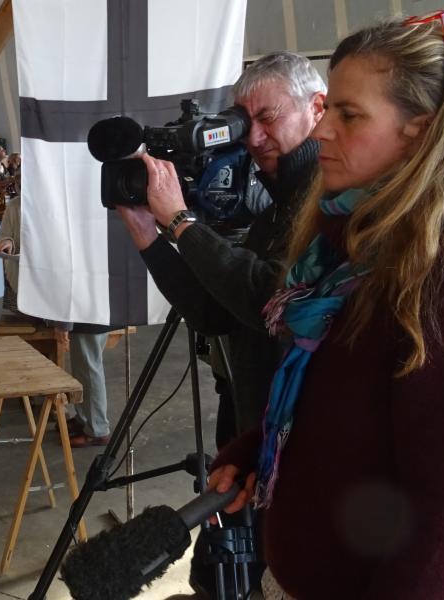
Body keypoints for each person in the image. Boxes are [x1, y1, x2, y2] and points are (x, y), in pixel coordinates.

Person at [198, 13, 444, 598]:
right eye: (327, 111)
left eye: (349, 114)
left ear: (421, 131)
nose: (321, 132)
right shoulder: (348, 243)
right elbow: (335, 398)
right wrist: (253, 448)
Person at [117, 51, 326, 451]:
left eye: (268, 117)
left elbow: (267, 299)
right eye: (246, 124)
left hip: (307, 454)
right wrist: (147, 233)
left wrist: (180, 221)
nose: (254, 138)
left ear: (317, 108)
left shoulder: (334, 208)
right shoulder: (275, 213)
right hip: (257, 439)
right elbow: (214, 314)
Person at [0, 196, 113, 447]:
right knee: (84, 367)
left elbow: (67, 273)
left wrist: (63, 322)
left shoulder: (67, 212)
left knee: (89, 368)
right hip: (85, 303)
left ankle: (98, 428)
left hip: (87, 306)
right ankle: (85, 419)